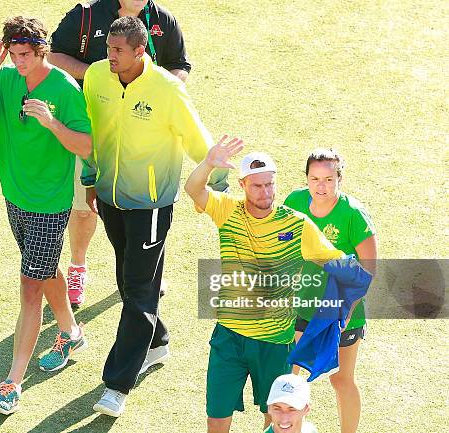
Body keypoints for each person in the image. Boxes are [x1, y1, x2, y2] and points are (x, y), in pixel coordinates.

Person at [82, 16, 228, 417]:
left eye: (117, 51)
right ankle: (157, 340)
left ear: (140, 50)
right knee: (128, 279)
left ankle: (117, 385)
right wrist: (91, 176)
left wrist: (221, 184)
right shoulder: (96, 77)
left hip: (150, 204)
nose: (109, 57)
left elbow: (199, 140)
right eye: (108, 48)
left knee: (141, 288)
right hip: (111, 197)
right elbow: (91, 129)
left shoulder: (167, 89)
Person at [0, 16, 92, 415]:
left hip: (50, 204)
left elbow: (85, 145)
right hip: (15, 197)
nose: (19, 63)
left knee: (30, 287)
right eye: (13, 55)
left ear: (42, 50)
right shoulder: (7, 78)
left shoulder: (64, 89)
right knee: (45, 270)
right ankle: (70, 332)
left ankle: (12, 383)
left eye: (26, 56)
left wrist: (50, 122)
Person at [185, 140, 364, 433]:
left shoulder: (296, 225)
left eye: (270, 184)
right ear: (242, 184)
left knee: (275, 419)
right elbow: (193, 189)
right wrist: (208, 163)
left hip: (275, 342)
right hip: (228, 337)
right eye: (257, 186)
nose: (265, 192)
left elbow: (349, 270)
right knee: (216, 419)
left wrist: (341, 315)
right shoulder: (227, 210)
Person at [49, 0, 191, 307]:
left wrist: (160, 90)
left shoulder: (162, 20)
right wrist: (102, 74)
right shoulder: (86, 15)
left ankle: (145, 274)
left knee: (147, 211)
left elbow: (180, 65)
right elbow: (54, 55)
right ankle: (78, 267)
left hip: (145, 135)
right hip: (91, 129)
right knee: (85, 206)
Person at [284, 148, 377, 433]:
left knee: (341, 380)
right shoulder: (294, 202)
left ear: (340, 180)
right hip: (300, 306)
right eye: (314, 179)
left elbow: (369, 268)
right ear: (307, 179)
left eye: (328, 179)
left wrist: (348, 308)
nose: (320, 186)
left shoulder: (353, 215)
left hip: (341, 311)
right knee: (289, 376)